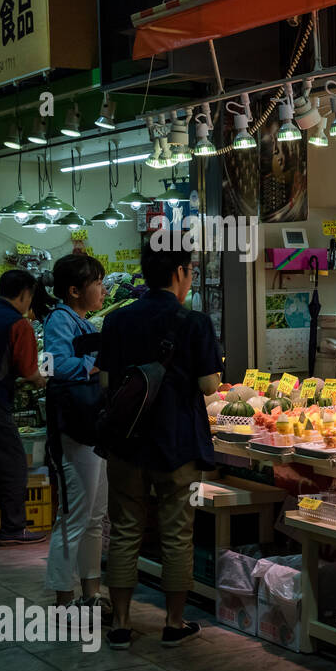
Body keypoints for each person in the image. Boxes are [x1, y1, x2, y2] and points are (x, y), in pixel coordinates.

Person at [98, 247, 223, 649]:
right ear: (179, 274)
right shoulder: (194, 322)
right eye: (189, 272)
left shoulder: (117, 319)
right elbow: (209, 386)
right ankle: (174, 622)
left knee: (125, 531)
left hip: (125, 444)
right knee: (177, 533)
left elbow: (104, 384)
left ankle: (120, 624)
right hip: (177, 445)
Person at [43, 255, 110, 609]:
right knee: (73, 517)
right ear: (73, 291)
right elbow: (51, 364)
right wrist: (94, 363)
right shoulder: (59, 319)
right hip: (74, 429)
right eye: (96, 283)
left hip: (92, 429)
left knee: (95, 516)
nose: (103, 289)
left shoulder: (81, 322)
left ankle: (91, 594)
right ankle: (63, 599)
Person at [0, 269, 47, 546]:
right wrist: (43, 380)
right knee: (14, 463)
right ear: (24, 294)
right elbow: (30, 373)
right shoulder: (18, 325)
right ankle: (14, 527)